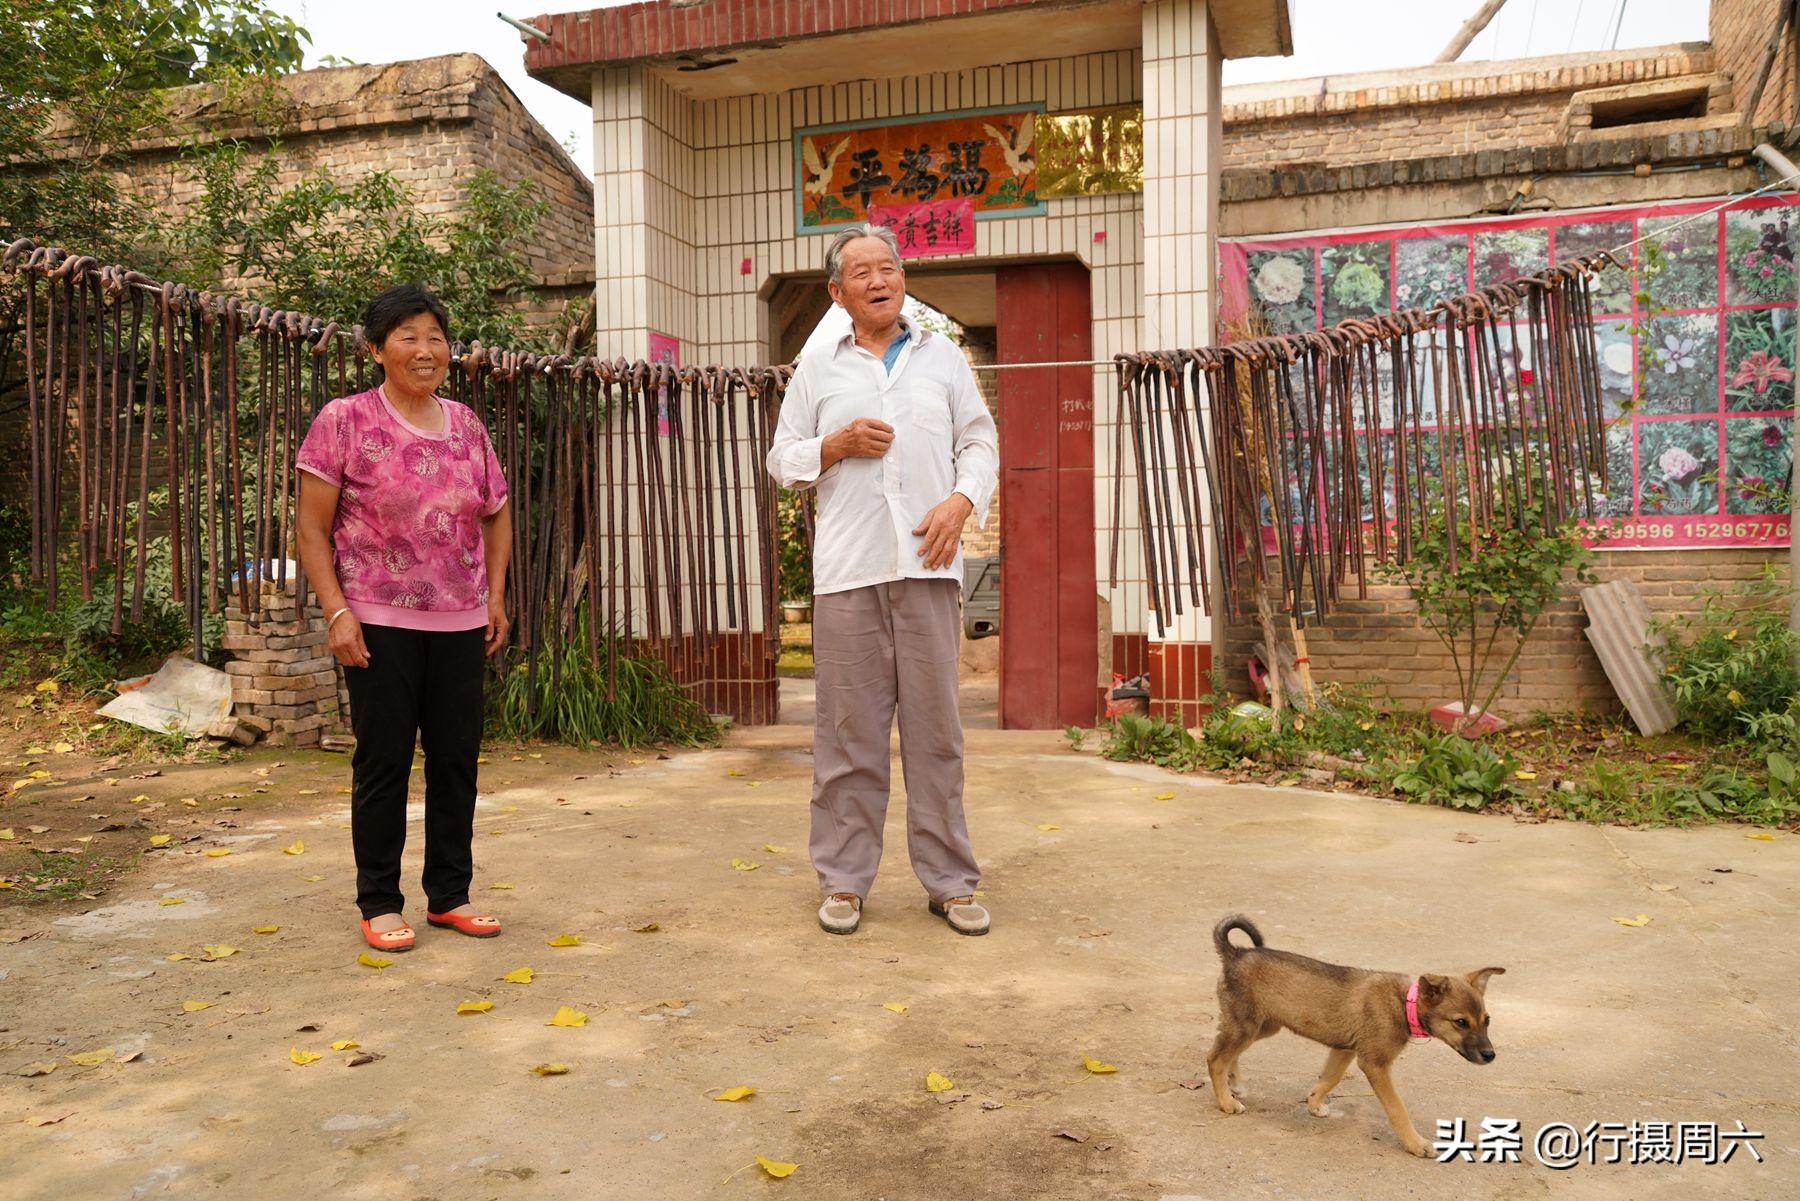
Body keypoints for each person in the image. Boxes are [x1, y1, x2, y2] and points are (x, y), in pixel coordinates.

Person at [766, 224, 998, 937]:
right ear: (837, 291)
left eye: (888, 266)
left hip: (928, 568)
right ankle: (843, 880)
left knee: (937, 736)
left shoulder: (944, 360)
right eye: (860, 271)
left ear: (902, 278)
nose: (878, 279)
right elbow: (782, 459)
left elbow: (980, 440)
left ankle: (951, 882)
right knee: (848, 736)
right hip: (848, 572)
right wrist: (832, 446)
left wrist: (962, 503)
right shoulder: (818, 367)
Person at [296, 285, 512, 953]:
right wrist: (336, 610)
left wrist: (495, 596)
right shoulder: (345, 420)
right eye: (408, 336)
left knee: (456, 761)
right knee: (384, 760)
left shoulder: (468, 424)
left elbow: (496, 510)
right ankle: (379, 900)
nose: (425, 349)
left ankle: (449, 893)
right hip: (377, 620)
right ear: (376, 348)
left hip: (459, 619)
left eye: (435, 337)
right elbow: (310, 527)